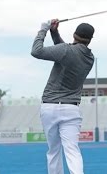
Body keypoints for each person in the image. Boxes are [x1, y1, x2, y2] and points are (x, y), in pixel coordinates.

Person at [31, 19, 95, 174]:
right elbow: (65, 50)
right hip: (71, 109)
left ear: (74, 34)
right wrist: (55, 32)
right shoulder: (89, 58)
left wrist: (43, 30)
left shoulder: (66, 51)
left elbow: (36, 51)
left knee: (53, 151)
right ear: (90, 40)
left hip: (50, 107)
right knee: (72, 150)